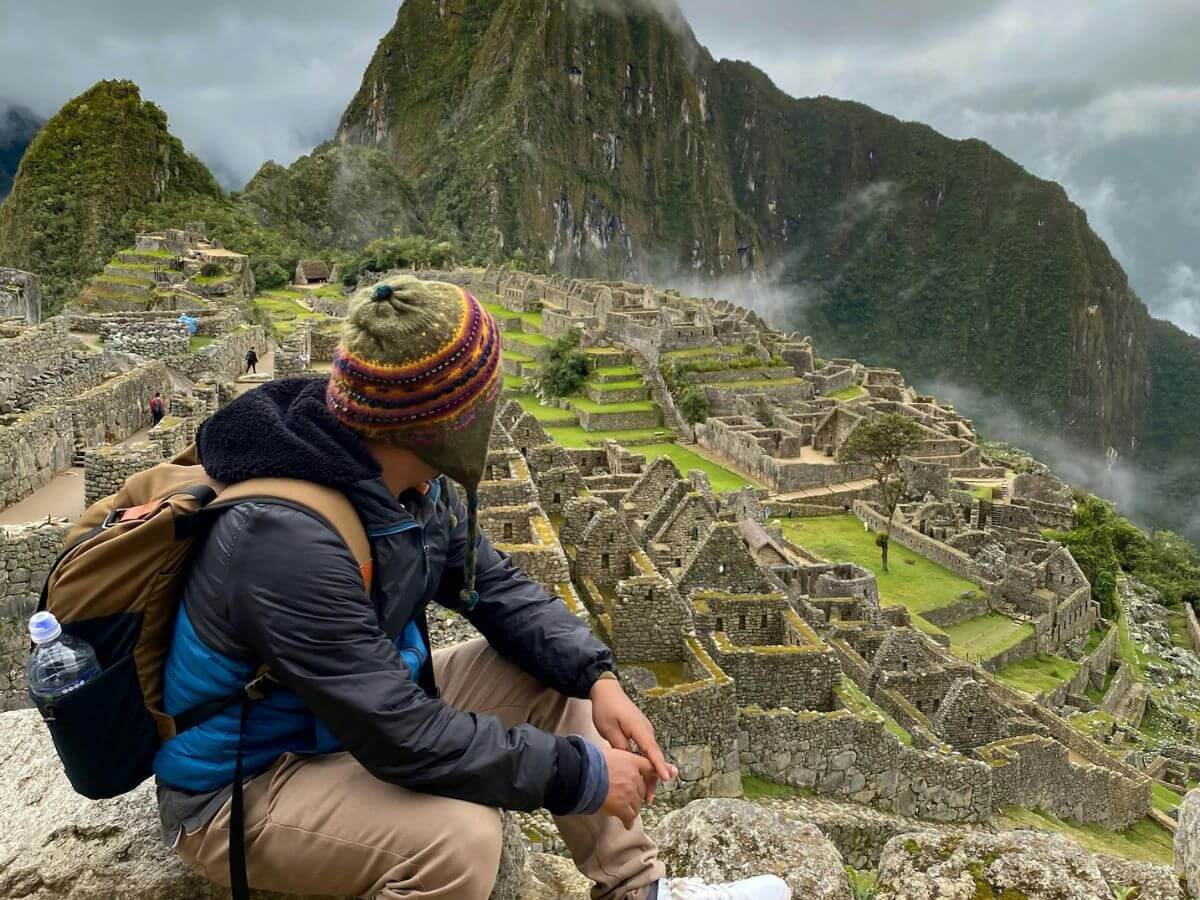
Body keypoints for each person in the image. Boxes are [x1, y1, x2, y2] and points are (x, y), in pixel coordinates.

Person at [154, 276, 789, 900]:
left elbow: (498, 590)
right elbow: (398, 734)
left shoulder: (405, 485)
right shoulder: (285, 540)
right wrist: (584, 775)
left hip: (337, 719)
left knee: (550, 677)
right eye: (485, 399)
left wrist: (598, 678)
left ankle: (638, 890)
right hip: (247, 779)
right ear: (444, 420)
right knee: (461, 840)